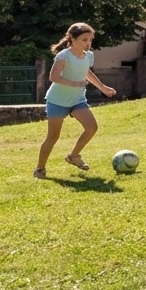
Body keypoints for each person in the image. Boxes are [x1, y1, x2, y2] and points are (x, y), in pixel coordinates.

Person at [34, 23, 117, 178]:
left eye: (90, 40)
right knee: (53, 137)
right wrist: (74, 84)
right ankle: (40, 168)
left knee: (91, 127)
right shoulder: (64, 56)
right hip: (57, 100)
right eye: (84, 39)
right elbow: (53, 77)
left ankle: (74, 156)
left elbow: (86, 73)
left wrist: (103, 88)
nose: (88, 43)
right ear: (72, 39)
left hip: (77, 99)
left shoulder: (89, 56)